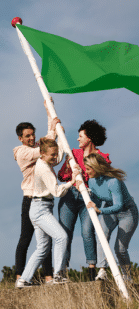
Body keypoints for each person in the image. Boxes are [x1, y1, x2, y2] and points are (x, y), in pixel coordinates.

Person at [16, 138, 77, 287]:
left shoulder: (44, 162)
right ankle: (57, 275)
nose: (55, 157)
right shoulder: (43, 168)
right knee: (61, 237)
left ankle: (23, 280)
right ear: (42, 154)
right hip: (41, 209)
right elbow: (56, 191)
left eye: (56, 154)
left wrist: (61, 142)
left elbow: (58, 157)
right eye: (52, 155)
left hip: (40, 208)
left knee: (42, 248)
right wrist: (72, 181)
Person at [57, 120, 110, 280]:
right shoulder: (73, 154)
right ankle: (62, 271)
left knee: (88, 231)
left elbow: (104, 182)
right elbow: (61, 176)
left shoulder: (102, 158)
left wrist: (86, 174)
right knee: (64, 233)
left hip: (90, 196)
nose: (78, 139)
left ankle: (92, 270)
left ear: (90, 138)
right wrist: (71, 171)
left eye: (81, 136)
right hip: (71, 195)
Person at [13, 101, 59, 284]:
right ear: (20, 138)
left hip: (44, 199)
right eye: (27, 136)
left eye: (33, 135)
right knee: (26, 238)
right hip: (30, 199)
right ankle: (19, 276)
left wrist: (50, 112)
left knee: (45, 240)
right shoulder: (22, 152)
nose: (31, 138)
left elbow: (49, 138)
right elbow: (46, 145)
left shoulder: (37, 148)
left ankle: (48, 277)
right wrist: (52, 129)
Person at [76, 154, 138, 282]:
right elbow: (97, 196)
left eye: (88, 169)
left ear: (96, 167)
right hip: (109, 209)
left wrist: (100, 210)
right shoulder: (92, 181)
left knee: (120, 249)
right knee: (101, 236)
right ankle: (102, 270)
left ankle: (127, 277)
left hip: (127, 212)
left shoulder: (113, 181)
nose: (86, 172)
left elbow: (119, 205)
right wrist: (84, 191)